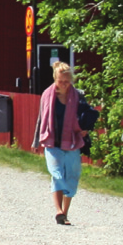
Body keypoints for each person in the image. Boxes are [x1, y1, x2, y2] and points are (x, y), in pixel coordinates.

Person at [33, 61, 93, 225]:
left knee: (72, 177)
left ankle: (64, 213)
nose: (64, 85)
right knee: (57, 173)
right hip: (52, 141)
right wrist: (36, 140)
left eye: (67, 81)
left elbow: (86, 115)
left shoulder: (78, 95)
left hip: (72, 141)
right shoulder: (47, 94)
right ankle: (58, 210)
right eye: (60, 81)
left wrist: (85, 128)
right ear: (55, 79)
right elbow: (41, 118)